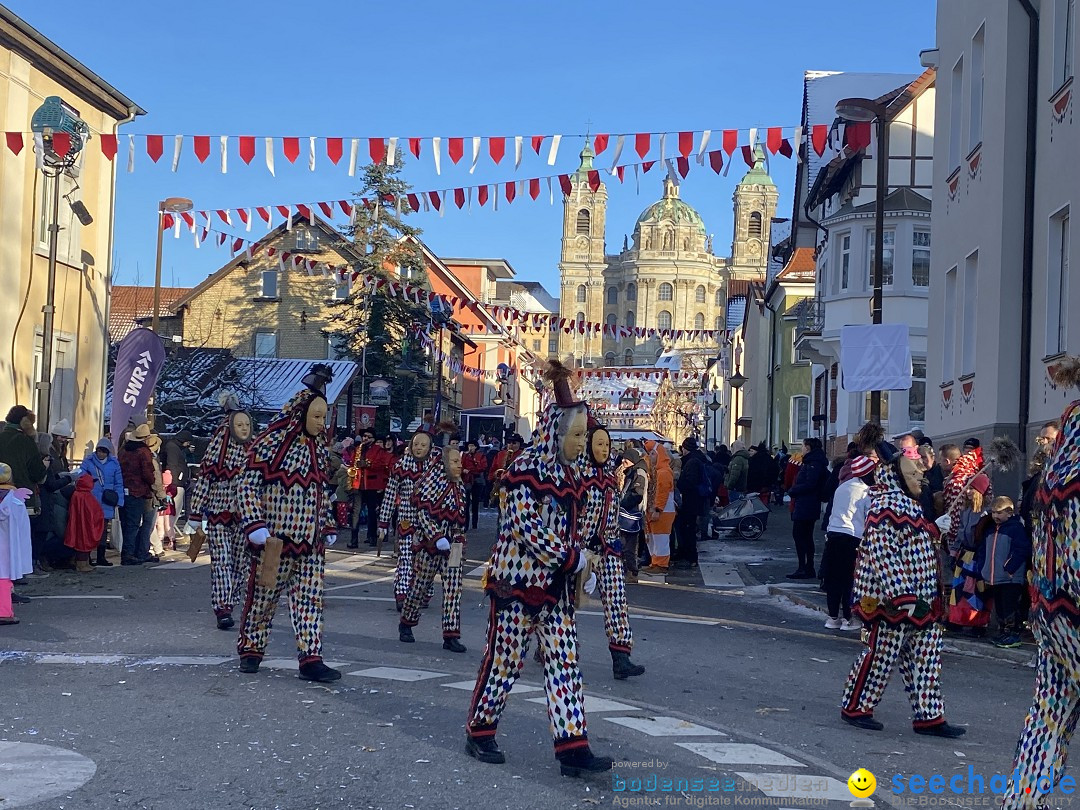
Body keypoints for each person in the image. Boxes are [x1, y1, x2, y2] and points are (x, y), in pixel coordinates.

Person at [466, 360, 611, 776]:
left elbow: (576, 526)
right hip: (515, 584)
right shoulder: (523, 470)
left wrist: (587, 561)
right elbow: (526, 527)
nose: (582, 443)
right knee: (505, 661)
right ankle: (480, 730)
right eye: (577, 435)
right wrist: (572, 557)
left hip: (557, 588)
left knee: (565, 661)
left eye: (585, 435)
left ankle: (572, 747)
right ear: (556, 432)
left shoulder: (573, 474)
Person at [840, 423, 965, 738]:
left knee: (926, 658)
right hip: (887, 600)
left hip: (921, 598)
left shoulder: (908, 505)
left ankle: (929, 716)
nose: (921, 476)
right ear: (897, 476)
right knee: (880, 655)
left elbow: (914, 543)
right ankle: (856, 707)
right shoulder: (885, 505)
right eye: (914, 472)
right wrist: (904, 598)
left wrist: (935, 529)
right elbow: (884, 555)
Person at [1004, 358, 1080, 807]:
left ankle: (1022, 802)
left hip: (1054, 613)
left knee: (1048, 718)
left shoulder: (1060, 464)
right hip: (1069, 605)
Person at [235, 364, 340, 683]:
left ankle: (311, 657)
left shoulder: (319, 449)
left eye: (324, 417)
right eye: (317, 417)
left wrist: (328, 524)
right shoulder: (269, 443)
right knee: (263, 599)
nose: (321, 423)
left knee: (310, 601)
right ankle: (251, 648)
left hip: (311, 543)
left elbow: (321, 490)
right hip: (274, 541)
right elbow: (246, 484)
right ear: (301, 413)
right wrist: (255, 524)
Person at [581, 422, 645, 678]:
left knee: (617, 601)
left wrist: (626, 501)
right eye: (599, 444)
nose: (604, 449)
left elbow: (611, 507)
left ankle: (621, 657)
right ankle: (546, 645)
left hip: (610, 547)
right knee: (564, 602)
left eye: (607, 444)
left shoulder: (610, 474)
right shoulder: (578, 475)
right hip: (581, 550)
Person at [187, 398, 254, 630]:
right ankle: (222, 606)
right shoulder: (218, 451)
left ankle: (232, 601)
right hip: (218, 514)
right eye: (240, 424)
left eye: (247, 424)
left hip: (245, 518)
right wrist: (195, 513)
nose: (244, 428)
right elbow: (204, 481)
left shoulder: (254, 453)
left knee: (241, 563)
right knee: (221, 561)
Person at [398, 443, 467, 652]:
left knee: (454, 590)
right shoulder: (430, 483)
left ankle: (451, 635)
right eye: (455, 462)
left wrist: (459, 540)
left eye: (460, 462)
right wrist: (436, 536)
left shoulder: (460, 486)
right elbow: (422, 514)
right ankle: (406, 623)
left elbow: (461, 517)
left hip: (453, 546)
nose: (459, 466)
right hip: (429, 545)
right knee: (419, 587)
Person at [379, 431, 437, 611]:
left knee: (427, 560)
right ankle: (402, 594)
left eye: (423, 445)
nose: (418, 448)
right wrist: (383, 523)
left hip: (428, 523)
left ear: (429, 448)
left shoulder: (435, 467)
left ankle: (424, 591)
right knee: (405, 558)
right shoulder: (401, 466)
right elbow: (390, 494)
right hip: (406, 519)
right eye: (416, 444)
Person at [822, 454, 875, 631]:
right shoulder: (866, 492)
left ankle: (832, 617)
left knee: (833, 578)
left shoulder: (842, 487)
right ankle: (848, 618)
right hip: (853, 537)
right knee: (849, 579)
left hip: (834, 534)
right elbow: (869, 518)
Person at [978, 496, 1030, 649]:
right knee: (999, 606)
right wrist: (983, 568)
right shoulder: (990, 530)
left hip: (1010, 577)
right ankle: (1003, 631)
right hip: (994, 577)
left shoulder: (1015, 529)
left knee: (1010, 606)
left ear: (1009, 513)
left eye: (999, 513)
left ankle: (1012, 633)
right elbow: (983, 551)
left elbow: (1022, 549)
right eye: (993, 512)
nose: (995, 516)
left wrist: (1009, 567)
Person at [945, 475, 993, 632]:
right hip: (964, 556)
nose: (967, 492)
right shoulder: (965, 512)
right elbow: (960, 533)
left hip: (978, 557)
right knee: (958, 590)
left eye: (972, 489)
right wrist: (953, 554)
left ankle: (977, 622)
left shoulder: (987, 514)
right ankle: (957, 619)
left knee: (975, 591)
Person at [786, 438, 829, 579]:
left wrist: (794, 490)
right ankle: (805, 567)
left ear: (808, 447)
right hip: (807, 504)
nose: (802, 449)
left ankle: (805, 567)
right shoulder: (813, 462)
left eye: (803, 446)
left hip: (807, 504)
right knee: (804, 536)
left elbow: (810, 483)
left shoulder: (813, 463)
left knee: (800, 536)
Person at [118, 424, 159, 566]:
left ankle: (129, 552)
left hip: (123, 490)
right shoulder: (143, 452)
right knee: (135, 524)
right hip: (139, 491)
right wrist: (153, 483)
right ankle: (130, 554)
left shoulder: (123, 451)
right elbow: (147, 473)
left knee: (126, 523)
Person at [80, 438, 124, 567]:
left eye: (104, 451)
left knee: (103, 530)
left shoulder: (114, 464)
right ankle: (87, 556)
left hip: (106, 500)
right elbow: (81, 477)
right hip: (91, 500)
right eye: (99, 451)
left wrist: (119, 500)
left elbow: (119, 483)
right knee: (89, 528)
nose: (101, 454)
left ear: (108, 452)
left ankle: (101, 556)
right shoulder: (88, 462)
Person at [0, 463, 33, 625]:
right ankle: (4, 612)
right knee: (4, 579)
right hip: (6, 546)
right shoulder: (15, 503)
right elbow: (21, 529)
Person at [350, 429, 392, 548]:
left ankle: (372, 537)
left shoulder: (378, 450)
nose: (365, 438)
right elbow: (353, 461)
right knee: (356, 511)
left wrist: (368, 464)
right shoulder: (358, 448)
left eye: (368, 436)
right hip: (358, 484)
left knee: (372, 512)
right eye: (364, 436)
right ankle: (354, 540)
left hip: (371, 485)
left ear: (373, 439)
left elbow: (381, 463)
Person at [672, 437, 708, 570]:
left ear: (685, 448)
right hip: (695, 500)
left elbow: (689, 482)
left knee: (687, 528)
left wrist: (679, 484)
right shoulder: (697, 459)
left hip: (691, 501)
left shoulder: (692, 462)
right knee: (686, 527)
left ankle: (690, 557)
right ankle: (685, 554)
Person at [642, 441, 675, 575]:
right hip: (659, 510)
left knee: (660, 539)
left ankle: (661, 565)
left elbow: (662, 493)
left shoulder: (663, 472)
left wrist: (657, 509)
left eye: (652, 454)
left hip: (662, 512)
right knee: (655, 538)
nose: (650, 457)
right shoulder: (659, 471)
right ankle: (655, 563)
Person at [617, 447, 648, 583]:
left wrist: (623, 503)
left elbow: (637, 494)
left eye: (626, 459)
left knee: (628, 545)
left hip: (631, 513)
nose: (623, 461)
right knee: (626, 544)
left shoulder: (638, 473)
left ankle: (632, 572)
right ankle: (628, 570)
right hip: (628, 512)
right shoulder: (632, 471)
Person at [64, 473, 104, 573]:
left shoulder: (81, 494)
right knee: (83, 542)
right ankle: (81, 565)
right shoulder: (82, 495)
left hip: (84, 522)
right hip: (84, 524)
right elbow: (87, 511)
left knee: (84, 542)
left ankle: (85, 563)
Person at [161, 430, 194, 527]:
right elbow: (172, 465)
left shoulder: (175, 447)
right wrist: (174, 483)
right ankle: (169, 530)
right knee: (174, 510)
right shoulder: (173, 448)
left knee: (175, 509)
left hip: (177, 482)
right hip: (176, 483)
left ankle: (169, 530)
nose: (188, 444)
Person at [461, 440, 488, 531]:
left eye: (473, 445)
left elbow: (483, 467)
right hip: (467, 480)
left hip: (477, 480)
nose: (471, 447)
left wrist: (473, 467)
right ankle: (466, 524)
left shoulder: (480, 455)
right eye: (469, 445)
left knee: (475, 503)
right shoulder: (464, 455)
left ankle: (474, 523)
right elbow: (461, 465)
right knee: (466, 503)